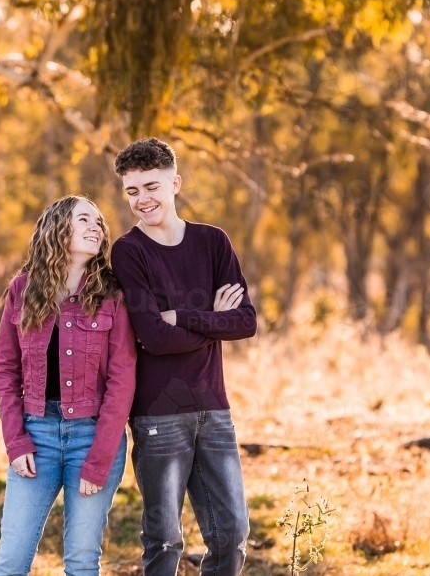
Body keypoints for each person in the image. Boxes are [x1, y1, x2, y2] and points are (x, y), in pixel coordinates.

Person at [110, 138, 257, 575]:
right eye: (132, 191)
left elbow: (245, 322)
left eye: (151, 186)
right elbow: (154, 337)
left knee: (231, 534)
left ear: (175, 183)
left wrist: (185, 316)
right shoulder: (128, 250)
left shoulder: (213, 242)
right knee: (165, 540)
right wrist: (212, 320)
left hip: (214, 408)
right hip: (158, 415)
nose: (142, 200)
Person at [0, 195, 137, 575]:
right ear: (58, 229)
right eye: (84, 219)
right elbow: (5, 369)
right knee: (10, 561)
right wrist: (16, 439)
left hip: (93, 438)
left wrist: (100, 459)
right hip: (34, 436)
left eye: (99, 222)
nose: (97, 227)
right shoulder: (22, 289)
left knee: (81, 561)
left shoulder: (112, 295)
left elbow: (123, 381)